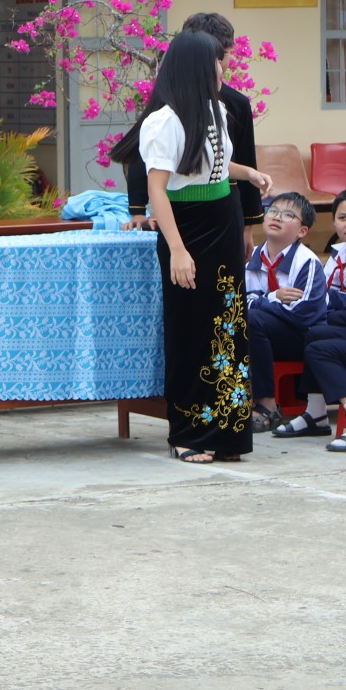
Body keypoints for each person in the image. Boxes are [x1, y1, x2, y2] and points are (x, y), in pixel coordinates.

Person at [111, 31, 273, 464]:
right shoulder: (163, 122)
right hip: (188, 228)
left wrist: (248, 174)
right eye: (217, 61)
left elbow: (210, 166)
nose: (224, 67)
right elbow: (158, 190)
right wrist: (178, 250)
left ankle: (227, 434)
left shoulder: (216, 109)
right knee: (191, 330)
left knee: (228, 327)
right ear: (197, 68)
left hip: (223, 220)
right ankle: (187, 434)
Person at [124, 12, 263, 240]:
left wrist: (248, 224)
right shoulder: (167, 111)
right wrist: (138, 209)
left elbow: (243, 157)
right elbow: (148, 161)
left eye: (223, 55)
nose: (220, 66)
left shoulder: (232, 105)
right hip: (184, 210)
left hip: (226, 207)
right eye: (214, 57)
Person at [273, 186, 346, 446]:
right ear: (333, 221)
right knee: (315, 333)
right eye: (343, 217)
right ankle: (316, 413)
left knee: (320, 349)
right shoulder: (337, 253)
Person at [241, 191, 326, 433]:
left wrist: (260, 302)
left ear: (302, 231)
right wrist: (274, 297)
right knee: (233, 321)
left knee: (254, 319)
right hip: (265, 334)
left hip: (304, 337)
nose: (277, 217)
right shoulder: (253, 258)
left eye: (289, 215)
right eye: (273, 211)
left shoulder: (307, 261)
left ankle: (267, 404)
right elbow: (241, 302)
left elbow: (303, 313)